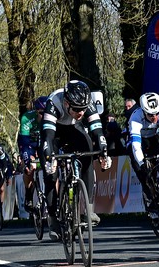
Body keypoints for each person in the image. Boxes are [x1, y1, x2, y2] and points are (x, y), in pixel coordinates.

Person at [40, 80, 109, 240]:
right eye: (77, 109)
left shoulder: (86, 103)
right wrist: (50, 157)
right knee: (50, 174)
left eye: (84, 109)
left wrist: (103, 152)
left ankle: (89, 210)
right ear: (66, 102)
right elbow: (48, 137)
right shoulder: (54, 102)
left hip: (74, 129)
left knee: (89, 155)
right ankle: (52, 220)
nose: (81, 113)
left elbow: (98, 131)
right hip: (54, 132)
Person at [20, 95, 47, 213]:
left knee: (53, 167)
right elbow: (24, 143)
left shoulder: (52, 117)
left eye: (46, 113)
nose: (44, 116)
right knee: (29, 168)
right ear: (36, 112)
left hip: (44, 142)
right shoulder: (27, 118)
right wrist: (28, 159)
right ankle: (29, 194)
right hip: (29, 143)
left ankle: (55, 198)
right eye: (41, 113)